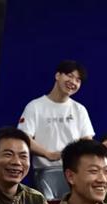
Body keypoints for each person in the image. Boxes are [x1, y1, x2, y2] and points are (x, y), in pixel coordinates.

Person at [17, 60, 95, 193]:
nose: (73, 82)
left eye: (78, 80)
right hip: (44, 171)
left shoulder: (79, 109)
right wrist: (48, 154)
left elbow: (87, 141)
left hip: (74, 172)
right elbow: (23, 138)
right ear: (57, 75)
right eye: (70, 76)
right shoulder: (35, 106)